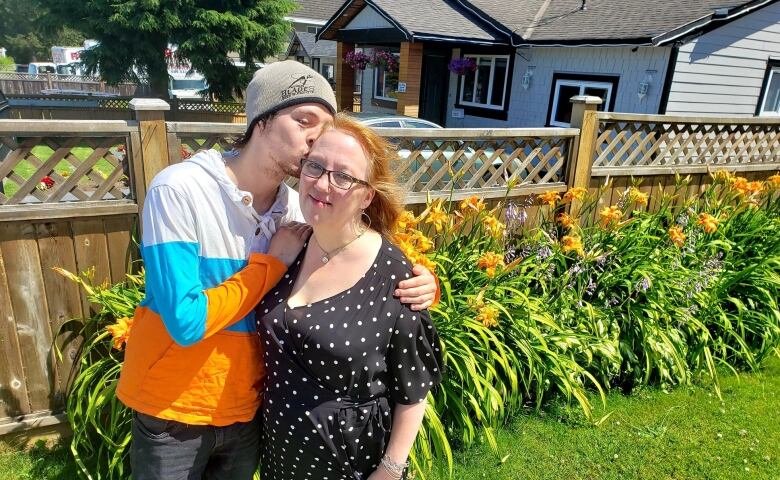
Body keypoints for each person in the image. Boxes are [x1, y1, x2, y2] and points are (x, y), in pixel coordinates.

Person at [117, 61, 439, 479]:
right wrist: (270, 264)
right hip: (173, 410)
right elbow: (185, 319)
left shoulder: (297, 207)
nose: (313, 140)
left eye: (321, 129)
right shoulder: (180, 190)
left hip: (246, 410)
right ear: (261, 121)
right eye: (303, 120)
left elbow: (356, 258)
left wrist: (423, 284)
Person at [255, 114, 443, 480]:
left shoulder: (391, 273)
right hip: (280, 458)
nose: (322, 184)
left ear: (366, 195)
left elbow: (414, 385)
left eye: (343, 176)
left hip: (350, 465)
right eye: (315, 166)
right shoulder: (288, 244)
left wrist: (391, 469)